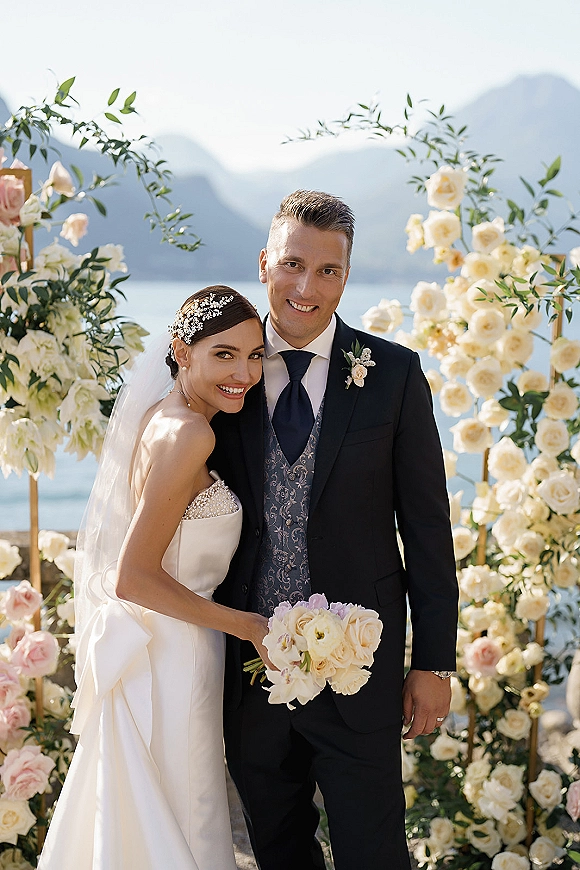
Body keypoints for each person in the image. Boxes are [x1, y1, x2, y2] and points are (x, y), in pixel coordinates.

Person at [211, 191, 459, 870]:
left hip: (362, 671)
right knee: (277, 851)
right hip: (251, 676)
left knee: (375, 855)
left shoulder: (396, 376)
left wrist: (434, 663)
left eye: (328, 271)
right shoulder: (219, 373)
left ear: (346, 276)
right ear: (264, 264)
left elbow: (428, 531)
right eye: (293, 264)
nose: (306, 287)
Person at [38, 286, 270, 870]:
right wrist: (245, 625)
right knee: (184, 817)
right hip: (175, 653)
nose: (243, 372)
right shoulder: (193, 434)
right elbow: (133, 577)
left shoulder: (161, 417)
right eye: (224, 354)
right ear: (181, 351)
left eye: (254, 355)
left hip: (160, 646)